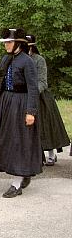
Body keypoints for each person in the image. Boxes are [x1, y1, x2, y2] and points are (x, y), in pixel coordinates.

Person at [0, 28, 42, 197]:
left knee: (18, 140)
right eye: (5, 42)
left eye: (10, 42)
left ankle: (17, 182)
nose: (6, 45)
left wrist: (31, 111)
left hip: (21, 103)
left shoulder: (27, 61)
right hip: (7, 102)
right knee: (6, 139)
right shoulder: (7, 59)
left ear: (18, 43)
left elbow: (33, 88)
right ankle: (22, 174)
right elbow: (2, 83)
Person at [25, 34, 69, 165]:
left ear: (31, 47)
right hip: (26, 97)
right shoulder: (22, 60)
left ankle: (51, 154)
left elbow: (43, 82)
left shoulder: (39, 60)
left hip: (41, 98)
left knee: (46, 127)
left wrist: (32, 92)